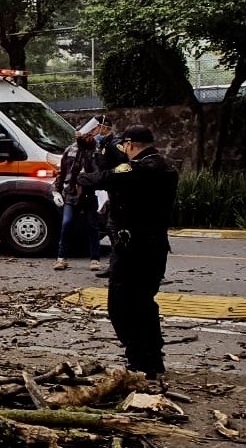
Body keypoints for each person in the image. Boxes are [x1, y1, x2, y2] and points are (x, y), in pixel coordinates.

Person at [77, 124, 178, 379]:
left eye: (125, 146)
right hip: (155, 246)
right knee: (144, 303)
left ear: (131, 144)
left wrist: (82, 178)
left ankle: (139, 360)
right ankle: (153, 359)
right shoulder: (163, 166)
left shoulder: (142, 169)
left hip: (134, 248)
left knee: (122, 305)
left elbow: (105, 177)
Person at [52, 131, 102, 272]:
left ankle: (95, 259)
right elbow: (62, 171)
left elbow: (100, 171)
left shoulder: (97, 151)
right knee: (67, 223)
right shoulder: (70, 150)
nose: (87, 138)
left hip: (90, 192)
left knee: (92, 225)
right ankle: (61, 258)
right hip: (71, 192)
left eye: (89, 136)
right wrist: (57, 190)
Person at [91, 116, 127, 279]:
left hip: (118, 192)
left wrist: (113, 176)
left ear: (104, 128)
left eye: (95, 128)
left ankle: (119, 266)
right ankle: (116, 265)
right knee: (111, 228)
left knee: (114, 229)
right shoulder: (103, 144)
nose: (94, 132)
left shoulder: (114, 144)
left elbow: (126, 163)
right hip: (109, 191)